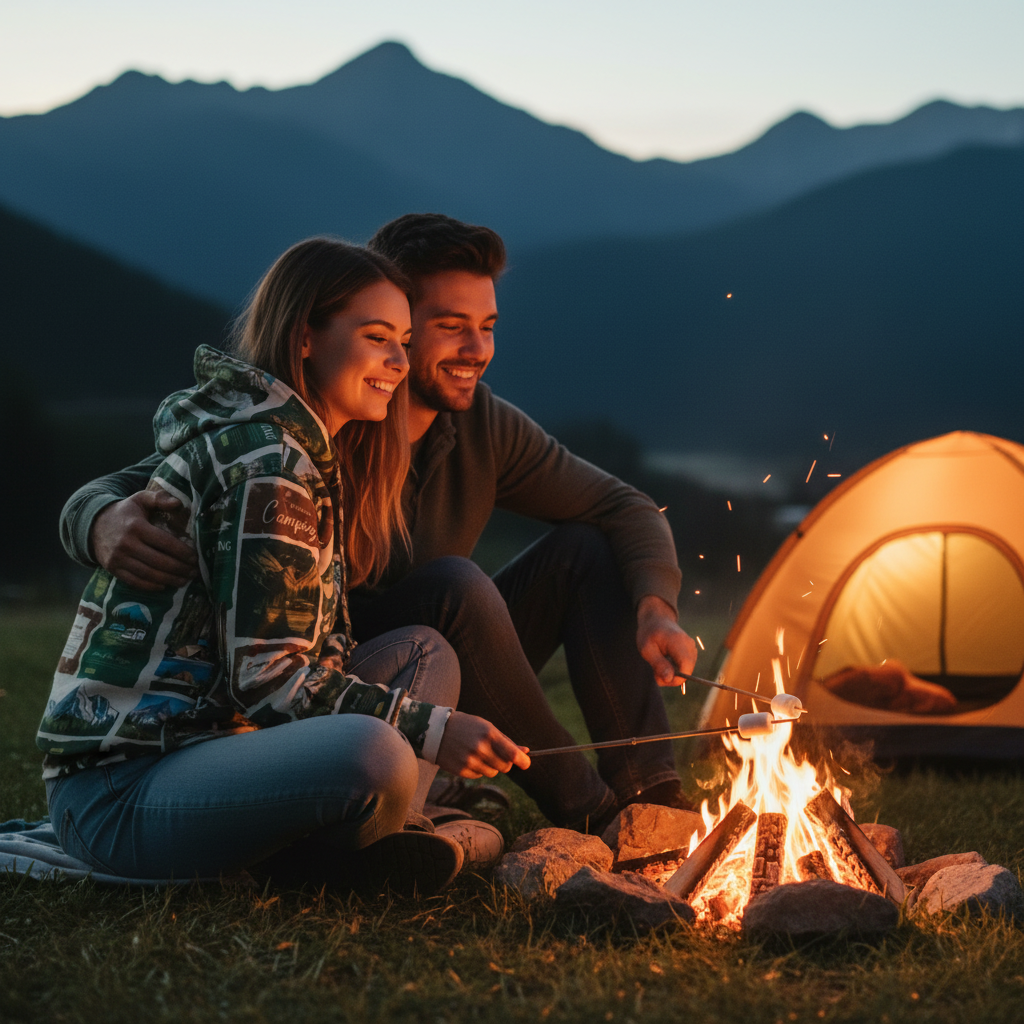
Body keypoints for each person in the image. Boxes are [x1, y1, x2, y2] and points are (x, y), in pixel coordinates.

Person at [60, 215, 695, 835]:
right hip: (316, 680)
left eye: (487, 327)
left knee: (583, 550)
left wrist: (657, 609)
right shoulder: (310, 424)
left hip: (418, 669)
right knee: (455, 588)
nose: (477, 350)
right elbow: (156, 476)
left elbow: (624, 506)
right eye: (450, 327)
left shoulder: (480, 424)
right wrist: (97, 519)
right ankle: (595, 815)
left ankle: (652, 796)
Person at [39, 238, 529, 895]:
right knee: (377, 753)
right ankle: (360, 847)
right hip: (125, 789)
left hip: (220, 745)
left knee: (424, 653)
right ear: (305, 338)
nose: (399, 362)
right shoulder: (269, 465)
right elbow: (269, 684)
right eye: (377, 337)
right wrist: (434, 729)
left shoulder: (294, 446)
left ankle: (370, 841)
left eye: (405, 342)